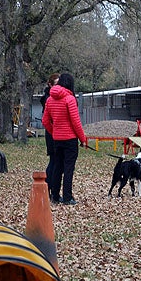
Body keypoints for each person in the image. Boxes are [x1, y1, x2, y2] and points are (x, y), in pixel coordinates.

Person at [42, 73, 88, 205]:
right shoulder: (70, 99)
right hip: (70, 139)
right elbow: (76, 122)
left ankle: (55, 196)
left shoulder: (50, 99)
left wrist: (54, 131)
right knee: (68, 168)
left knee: (57, 167)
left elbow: (45, 121)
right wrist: (82, 139)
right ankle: (67, 196)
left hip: (57, 139)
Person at [40, 73, 60, 195]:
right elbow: (47, 119)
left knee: (55, 161)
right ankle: (48, 187)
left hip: (54, 133)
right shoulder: (49, 99)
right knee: (54, 161)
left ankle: (49, 188)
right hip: (52, 133)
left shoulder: (49, 98)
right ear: (50, 85)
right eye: (56, 84)